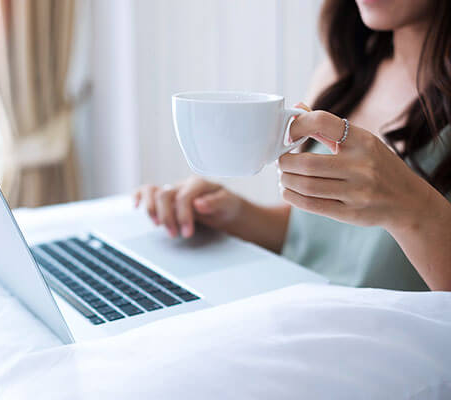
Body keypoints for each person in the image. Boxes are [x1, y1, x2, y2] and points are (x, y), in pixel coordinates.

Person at [134, 0, 451, 291]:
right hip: (297, 312)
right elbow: (317, 235)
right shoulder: (341, 75)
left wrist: (416, 210)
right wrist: (232, 213)